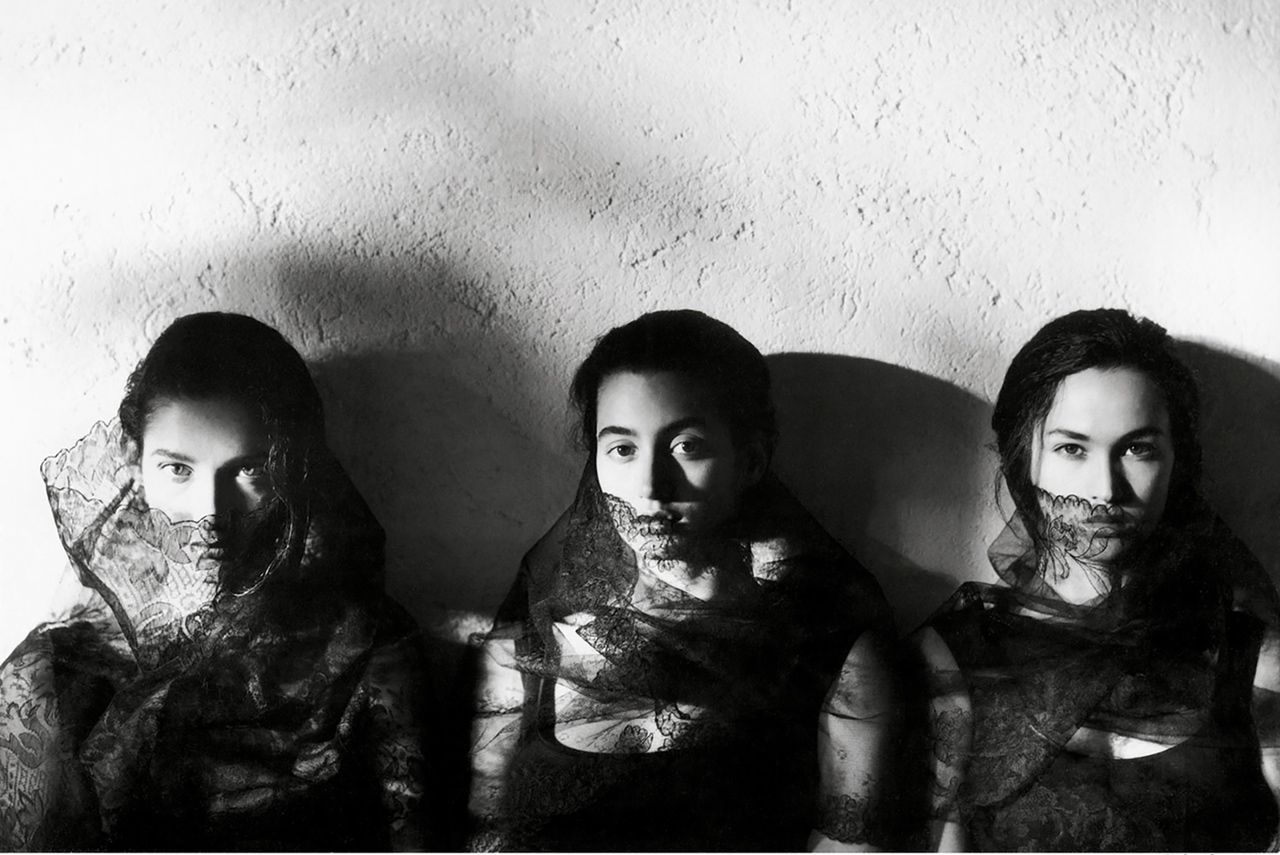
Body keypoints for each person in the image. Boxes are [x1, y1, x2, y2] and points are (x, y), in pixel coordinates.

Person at [466, 309, 899, 851]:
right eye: (622, 449)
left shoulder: (828, 648)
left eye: (686, 446)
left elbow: (849, 844)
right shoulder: (530, 642)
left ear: (752, 460)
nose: (650, 486)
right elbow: (486, 835)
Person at [0, 313, 430, 850]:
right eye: (178, 469)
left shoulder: (365, 648)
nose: (210, 512)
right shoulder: (55, 670)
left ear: (295, 471)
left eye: (250, 470)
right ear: (134, 463)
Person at [916, 308, 1280, 851]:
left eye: (1138, 449)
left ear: (1177, 463)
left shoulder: (1251, 657)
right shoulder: (956, 657)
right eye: (1072, 448)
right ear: (1024, 458)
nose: (1105, 490)